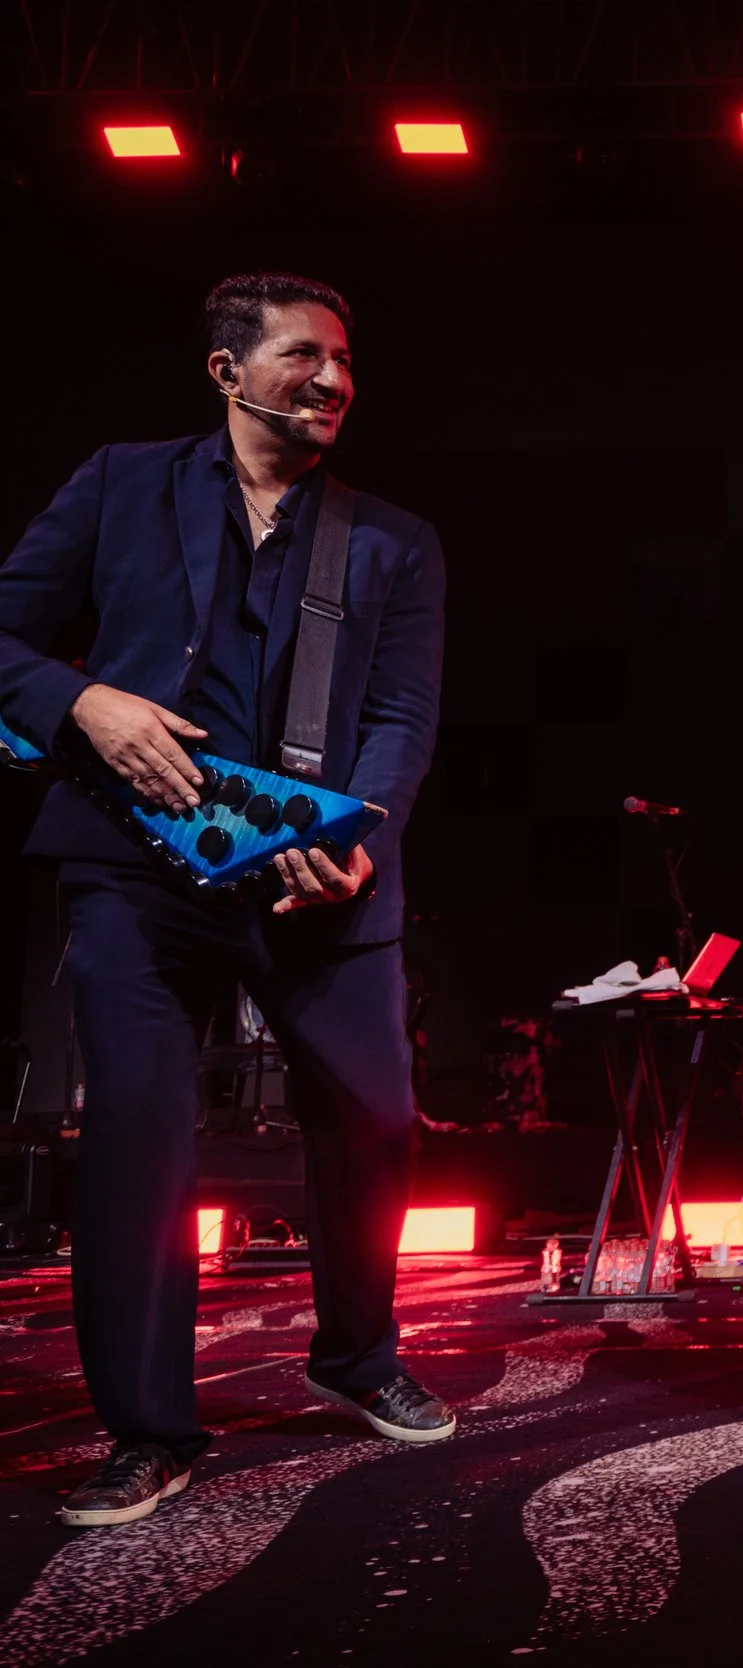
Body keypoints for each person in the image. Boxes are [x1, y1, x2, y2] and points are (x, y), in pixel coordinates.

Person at [0, 273, 453, 1528]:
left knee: (375, 1122)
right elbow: (6, 638)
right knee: (140, 1143)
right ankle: (146, 1429)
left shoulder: (392, 539)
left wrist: (356, 834)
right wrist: (81, 702)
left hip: (316, 873)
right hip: (134, 869)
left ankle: (357, 1353)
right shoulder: (119, 483)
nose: (333, 381)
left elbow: (400, 715)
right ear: (226, 371)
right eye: (307, 357)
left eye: (347, 363)